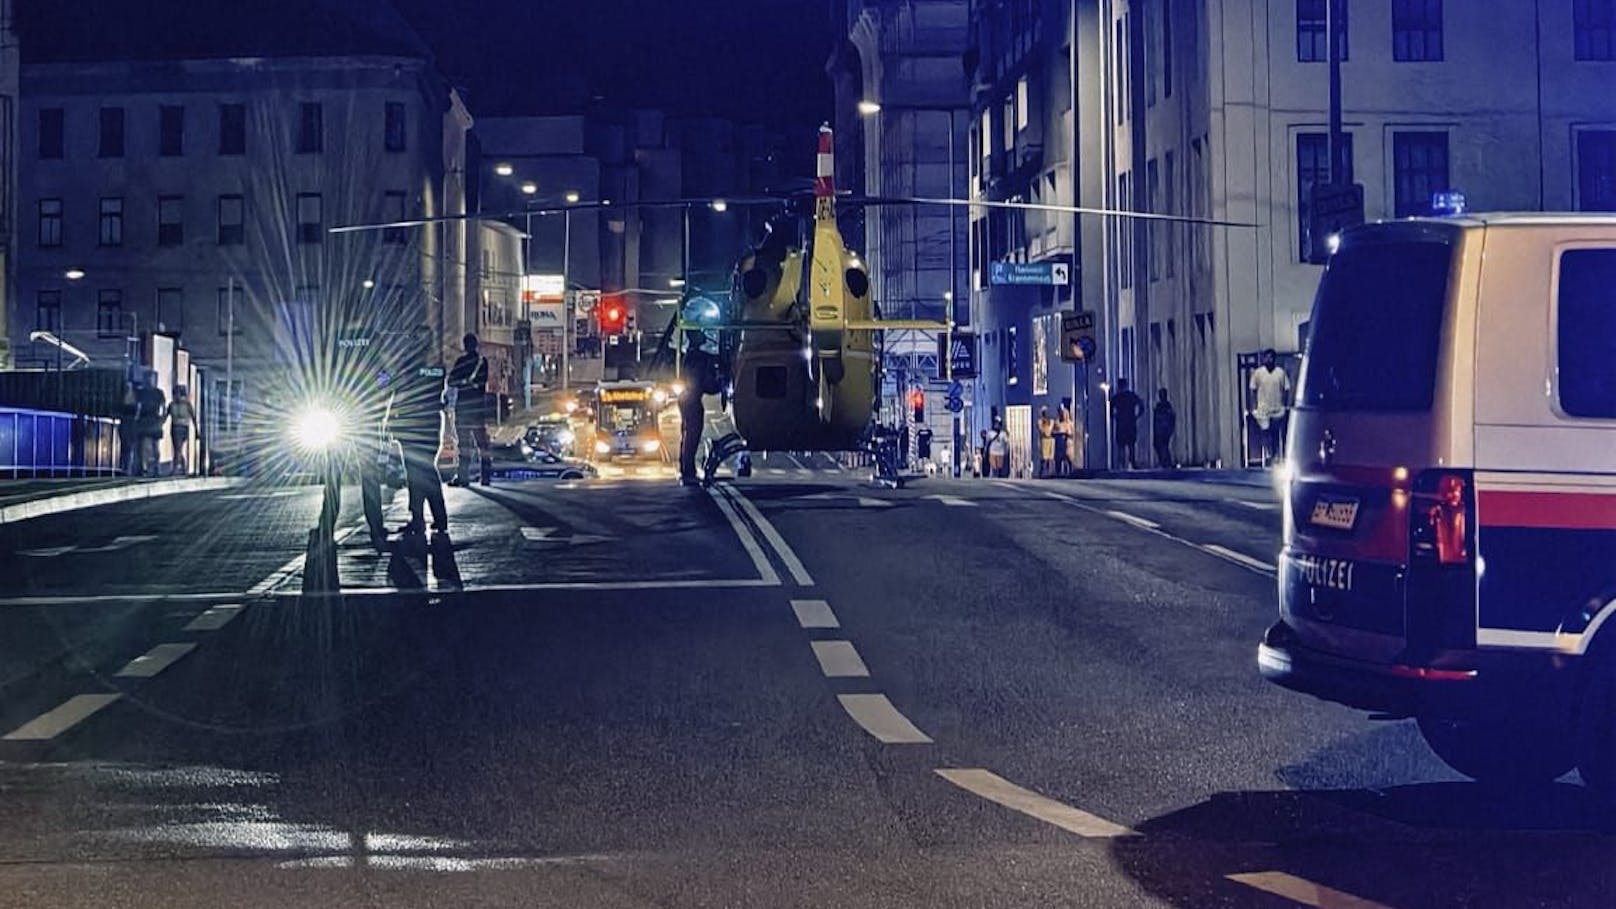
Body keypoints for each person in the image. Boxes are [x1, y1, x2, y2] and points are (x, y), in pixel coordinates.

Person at [390, 327, 449, 540]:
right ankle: (424, 518)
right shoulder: (435, 366)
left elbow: (397, 389)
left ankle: (425, 518)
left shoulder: (411, 366)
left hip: (417, 425)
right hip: (427, 423)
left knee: (421, 472)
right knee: (419, 473)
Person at [676, 295, 723, 486]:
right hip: (691, 401)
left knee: (688, 433)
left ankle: (687, 468)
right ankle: (688, 471)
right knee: (692, 433)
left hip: (688, 400)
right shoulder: (698, 357)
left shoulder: (691, 355)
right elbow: (707, 385)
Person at [446, 333, 492, 487]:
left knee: (464, 445)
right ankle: (486, 477)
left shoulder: (461, 362)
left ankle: (463, 477)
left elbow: (451, 381)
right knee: (482, 444)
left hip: (464, 408)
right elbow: (483, 382)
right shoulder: (482, 362)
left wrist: (463, 382)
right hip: (478, 408)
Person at [1248, 348, 1292, 466]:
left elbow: (1287, 389)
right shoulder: (1258, 373)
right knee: (1265, 431)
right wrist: (1254, 407)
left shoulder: (1280, 373)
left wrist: (1285, 404)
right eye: (1267, 357)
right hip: (1263, 409)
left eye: (1271, 357)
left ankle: (1275, 454)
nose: (1269, 359)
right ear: (1263, 359)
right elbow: (1252, 389)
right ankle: (1268, 452)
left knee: (1275, 433)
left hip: (1277, 409)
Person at [134, 373, 167, 477]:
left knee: (155, 445)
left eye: (151, 378)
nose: (149, 381)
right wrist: (137, 417)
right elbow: (138, 406)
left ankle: (156, 466)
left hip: (154, 418)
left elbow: (163, 406)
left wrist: (162, 418)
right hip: (145, 419)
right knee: (143, 445)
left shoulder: (158, 393)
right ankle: (144, 467)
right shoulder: (142, 392)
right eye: (148, 378)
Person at [1109, 378, 1144, 470]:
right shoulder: (1131, 396)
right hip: (1131, 422)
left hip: (1121, 423)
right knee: (1131, 444)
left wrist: (1114, 416)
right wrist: (1137, 416)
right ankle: (1132, 463)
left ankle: (1121, 464)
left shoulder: (1116, 397)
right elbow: (1141, 405)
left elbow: (1110, 410)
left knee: (1121, 445)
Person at [168, 386, 196, 476]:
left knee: (178, 448)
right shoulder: (172, 404)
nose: (177, 397)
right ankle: (183, 467)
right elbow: (166, 415)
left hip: (183, 428)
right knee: (177, 448)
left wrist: (197, 430)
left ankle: (176, 468)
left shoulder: (187, 405)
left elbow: (193, 418)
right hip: (174, 427)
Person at [1153, 388, 1177, 469]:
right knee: (1161, 445)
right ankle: (1166, 461)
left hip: (1163, 429)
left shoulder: (1165, 406)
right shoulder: (1161, 405)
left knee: (1162, 445)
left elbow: (1171, 416)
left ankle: (1165, 461)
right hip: (1162, 429)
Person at [1054, 403, 1075, 477]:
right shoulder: (1057, 423)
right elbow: (1054, 432)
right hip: (1060, 442)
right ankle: (1058, 472)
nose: (1063, 415)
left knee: (1069, 457)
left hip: (1068, 442)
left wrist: (1069, 435)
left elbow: (1073, 433)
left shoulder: (1070, 424)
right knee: (1059, 458)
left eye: (1064, 413)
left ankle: (1070, 471)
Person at [1037, 406, 1055, 478]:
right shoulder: (1040, 421)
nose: (1045, 414)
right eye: (1044, 412)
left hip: (1050, 439)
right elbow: (1042, 431)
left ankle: (1050, 472)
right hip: (1044, 439)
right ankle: (1042, 472)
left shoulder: (1051, 421)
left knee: (1050, 457)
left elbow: (1050, 429)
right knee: (1044, 457)